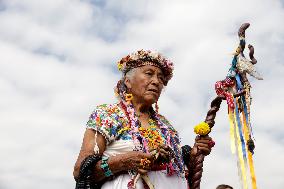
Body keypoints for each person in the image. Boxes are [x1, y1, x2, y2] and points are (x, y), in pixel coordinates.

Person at [73, 50, 215, 189]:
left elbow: (176, 171)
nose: (156, 82)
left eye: (161, 78)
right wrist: (123, 161)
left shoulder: (165, 125)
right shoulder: (108, 114)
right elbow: (80, 172)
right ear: (128, 81)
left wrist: (193, 156)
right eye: (149, 74)